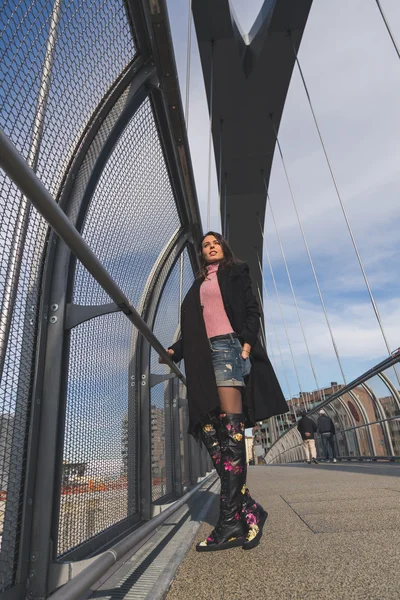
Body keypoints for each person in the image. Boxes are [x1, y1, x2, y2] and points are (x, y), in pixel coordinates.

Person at [160, 232, 288, 552]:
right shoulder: (197, 285)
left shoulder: (236, 272)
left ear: (223, 247)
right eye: (205, 245)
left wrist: (245, 344)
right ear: (202, 254)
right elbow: (194, 328)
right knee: (208, 431)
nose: (210, 246)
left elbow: (251, 310)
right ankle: (248, 508)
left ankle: (229, 518)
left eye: (215, 242)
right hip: (202, 358)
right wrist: (175, 351)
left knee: (231, 432)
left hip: (230, 350)